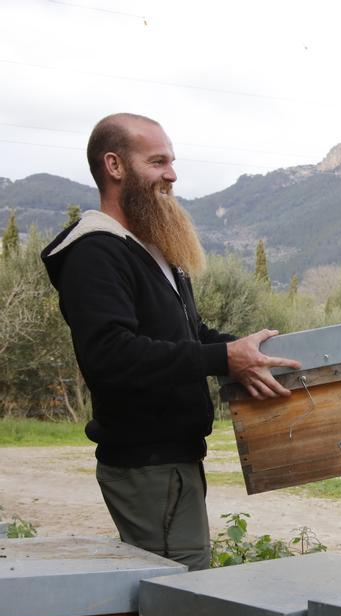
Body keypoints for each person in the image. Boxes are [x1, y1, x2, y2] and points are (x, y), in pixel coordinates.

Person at [41, 112, 300, 570]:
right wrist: (223, 357)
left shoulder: (153, 248)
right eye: (157, 161)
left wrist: (244, 352)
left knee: (180, 591)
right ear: (115, 166)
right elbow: (110, 354)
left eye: (172, 161)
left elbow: (187, 336)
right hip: (147, 466)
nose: (172, 174)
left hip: (174, 463)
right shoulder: (95, 251)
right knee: (176, 597)